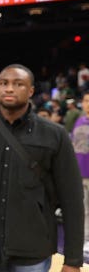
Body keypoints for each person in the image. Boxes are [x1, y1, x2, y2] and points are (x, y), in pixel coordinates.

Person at [0, 64, 84, 271]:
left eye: (17, 84)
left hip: (34, 253)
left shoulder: (54, 135)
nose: (9, 88)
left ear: (31, 91)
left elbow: (72, 201)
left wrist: (73, 260)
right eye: (4, 83)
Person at [71, 90, 89, 257]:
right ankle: (85, 238)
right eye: (85, 100)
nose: (87, 104)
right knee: (83, 208)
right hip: (80, 172)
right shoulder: (79, 120)